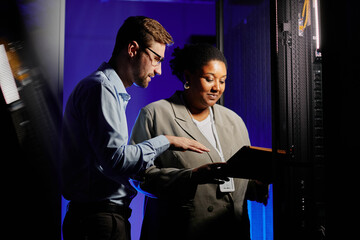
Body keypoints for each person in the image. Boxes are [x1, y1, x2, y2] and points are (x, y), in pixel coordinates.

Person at [61, 16, 211, 240]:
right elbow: (116, 160)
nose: (159, 70)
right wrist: (167, 140)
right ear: (132, 49)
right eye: (156, 59)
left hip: (102, 219)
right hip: (98, 221)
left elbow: (112, 164)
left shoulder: (108, 90)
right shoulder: (101, 88)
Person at [130, 43, 269, 240]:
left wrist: (261, 180)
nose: (217, 88)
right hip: (182, 230)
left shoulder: (234, 121)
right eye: (209, 79)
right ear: (188, 77)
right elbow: (139, 175)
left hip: (231, 230)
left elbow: (246, 187)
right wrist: (191, 177)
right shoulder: (155, 115)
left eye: (223, 81)